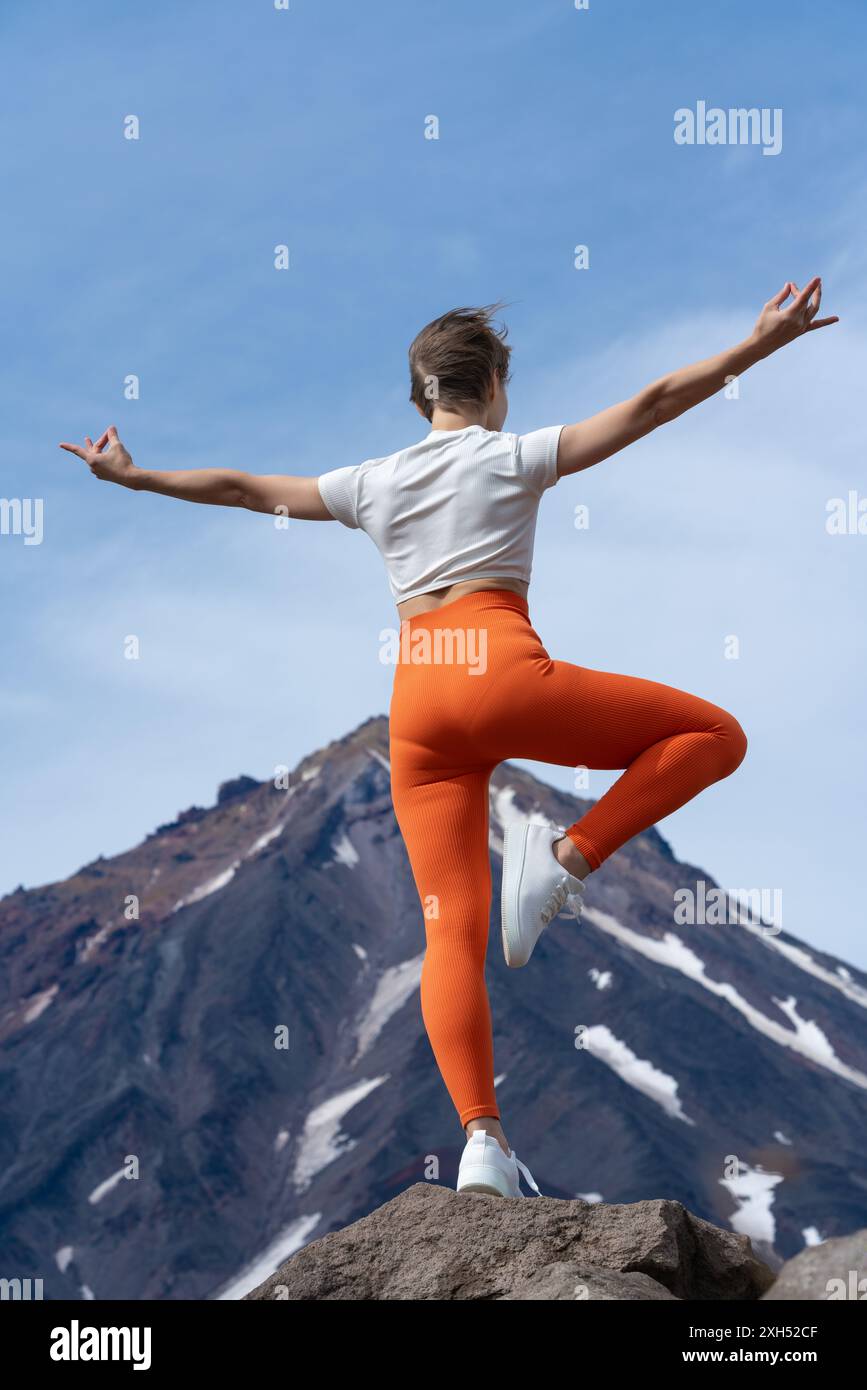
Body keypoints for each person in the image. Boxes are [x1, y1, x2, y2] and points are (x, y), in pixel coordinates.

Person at [60, 277, 837, 1198]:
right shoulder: (511, 455)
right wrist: (756, 349)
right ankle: (567, 858)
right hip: (500, 674)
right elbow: (653, 403)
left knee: (450, 935)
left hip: (419, 713)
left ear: (419, 395)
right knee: (712, 733)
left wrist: (133, 475)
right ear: (495, 382)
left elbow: (240, 488)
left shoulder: (370, 483)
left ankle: (480, 1144)